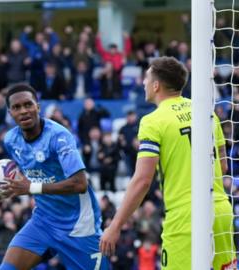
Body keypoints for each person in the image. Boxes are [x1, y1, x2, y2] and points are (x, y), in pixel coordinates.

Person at [99, 56, 236, 269]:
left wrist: (115, 225)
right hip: (221, 211)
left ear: (156, 85)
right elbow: (223, 166)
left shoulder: (152, 121)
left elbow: (143, 180)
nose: (143, 83)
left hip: (185, 218)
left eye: (146, 78)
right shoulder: (207, 112)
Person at [0, 83, 109, 270]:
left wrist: (30, 188)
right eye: (17, 107)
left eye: (28, 105)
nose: (23, 111)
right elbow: (22, 173)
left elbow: (80, 183)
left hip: (78, 225)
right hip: (43, 222)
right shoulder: (11, 140)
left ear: (38, 107)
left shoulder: (59, 136)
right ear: (10, 113)